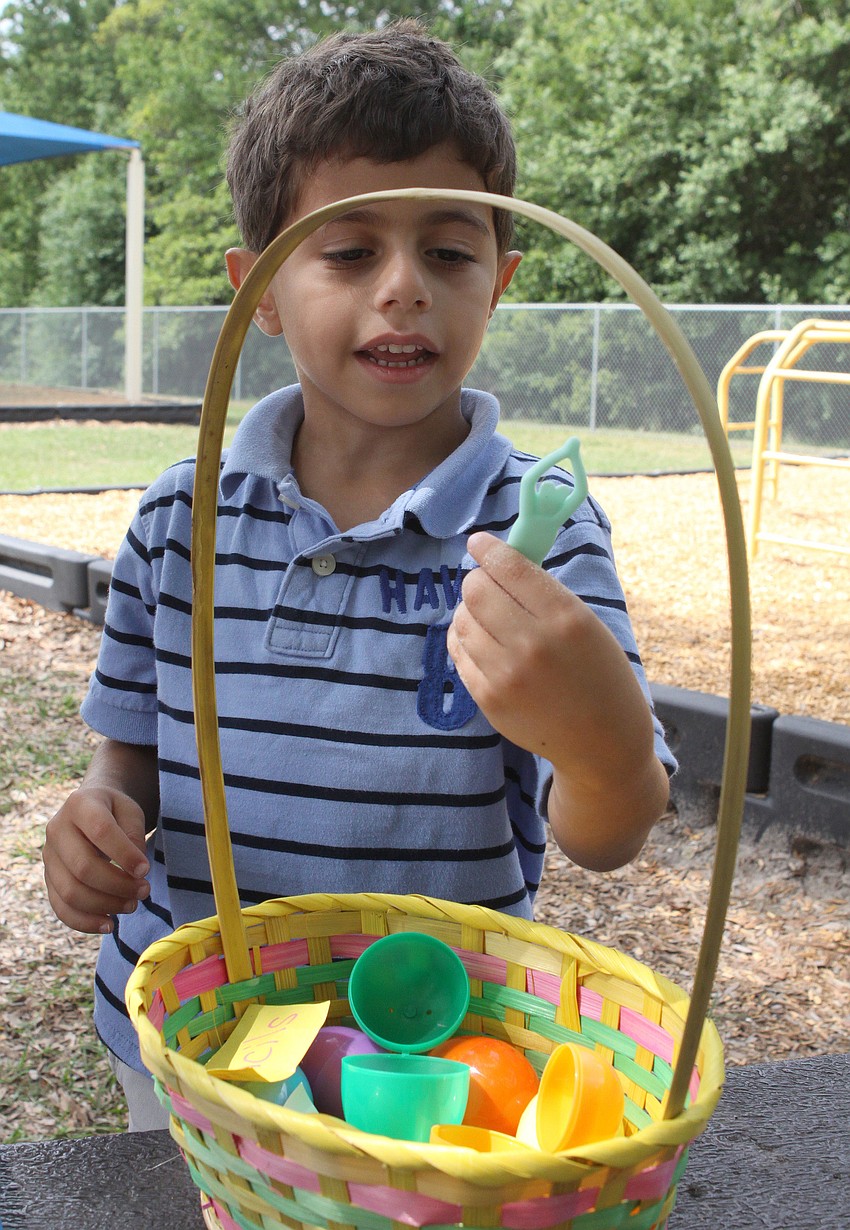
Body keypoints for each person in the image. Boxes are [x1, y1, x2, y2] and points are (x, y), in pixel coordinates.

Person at [42, 20, 674, 1131]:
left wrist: (604, 743)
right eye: (348, 252)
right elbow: (131, 750)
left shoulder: (537, 534)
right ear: (259, 291)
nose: (403, 288)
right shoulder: (180, 517)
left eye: (449, 252)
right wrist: (98, 815)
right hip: (198, 1031)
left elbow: (607, 832)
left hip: (434, 1050)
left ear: (499, 281)